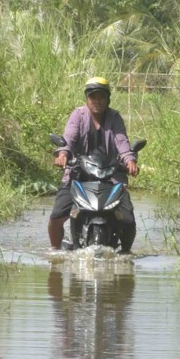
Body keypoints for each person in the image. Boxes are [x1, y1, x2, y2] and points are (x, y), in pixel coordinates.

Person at [49, 77, 140, 253]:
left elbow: (121, 141)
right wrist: (63, 154)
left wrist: (130, 160)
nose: (97, 101)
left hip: (110, 178)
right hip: (78, 176)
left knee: (128, 220)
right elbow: (69, 138)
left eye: (101, 97)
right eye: (93, 97)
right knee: (56, 216)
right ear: (87, 99)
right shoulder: (78, 115)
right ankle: (54, 252)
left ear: (108, 99)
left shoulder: (115, 117)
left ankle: (126, 253)